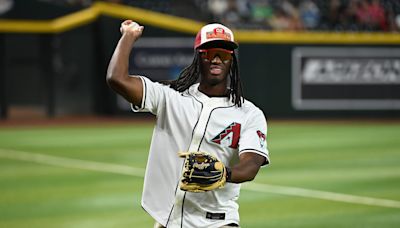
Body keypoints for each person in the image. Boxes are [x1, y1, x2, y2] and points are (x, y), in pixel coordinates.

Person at [106, 20, 270, 228]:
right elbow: (116, 78)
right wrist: (128, 35)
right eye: (210, 53)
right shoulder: (171, 98)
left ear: (232, 61)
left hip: (217, 222)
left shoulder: (249, 114)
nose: (217, 59)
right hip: (169, 220)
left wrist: (223, 173)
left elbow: (250, 166)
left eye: (225, 54)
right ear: (198, 57)